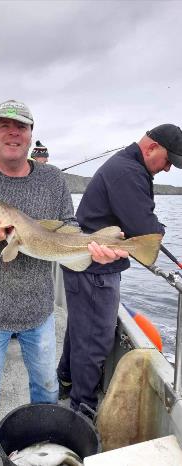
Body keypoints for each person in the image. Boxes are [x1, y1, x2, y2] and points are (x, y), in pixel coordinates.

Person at [0, 99, 127, 466]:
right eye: (3, 126)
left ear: (30, 136)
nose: (13, 133)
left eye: (21, 127)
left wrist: (93, 249)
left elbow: (70, 227)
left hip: (39, 310)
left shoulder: (53, 179)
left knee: (46, 388)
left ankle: (43, 453)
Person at [57, 123, 182, 417]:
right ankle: (82, 409)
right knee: (96, 339)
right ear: (151, 148)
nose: (167, 169)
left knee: (79, 329)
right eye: (168, 161)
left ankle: (65, 379)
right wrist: (159, 231)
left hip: (84, 264)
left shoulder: (127, 166)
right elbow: (146, 230)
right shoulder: (127, 172)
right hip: (95, 269)